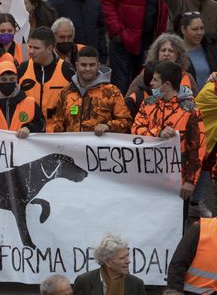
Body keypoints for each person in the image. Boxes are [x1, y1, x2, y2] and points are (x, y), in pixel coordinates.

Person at [131, 61, 203, 203]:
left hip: (177, 182)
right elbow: (136, 129)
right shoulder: (148, 103)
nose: (151, 83)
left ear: (167, 84)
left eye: (155, 80)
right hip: (148, 177)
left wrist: (190, 181)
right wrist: (158, 133)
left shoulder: (190, 110)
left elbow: (197, 148)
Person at [49, 46, 131, 134]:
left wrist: (108, 126)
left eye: (92, 65)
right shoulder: (65, 92)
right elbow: (57, 126)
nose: (88, 68)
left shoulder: (112, 92)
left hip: (100, 142)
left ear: (98, 66)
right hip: (72, 142)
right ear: (77, 65)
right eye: (83, 65)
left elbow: (126, 121)